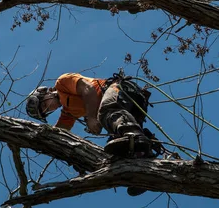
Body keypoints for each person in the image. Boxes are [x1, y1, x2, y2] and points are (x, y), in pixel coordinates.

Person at [25, 71, 154, 196]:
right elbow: (56, 134)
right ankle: (143, 172)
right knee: (116, 152)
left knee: (106, 112)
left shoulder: (62, 82)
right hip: (127, 110)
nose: (49, 109)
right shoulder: (68, 113)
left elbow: (89, 88)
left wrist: (91, 117)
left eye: (45, 105)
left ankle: (136, 138)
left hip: (120, 90)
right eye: (46, 112)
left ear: (44, 93)